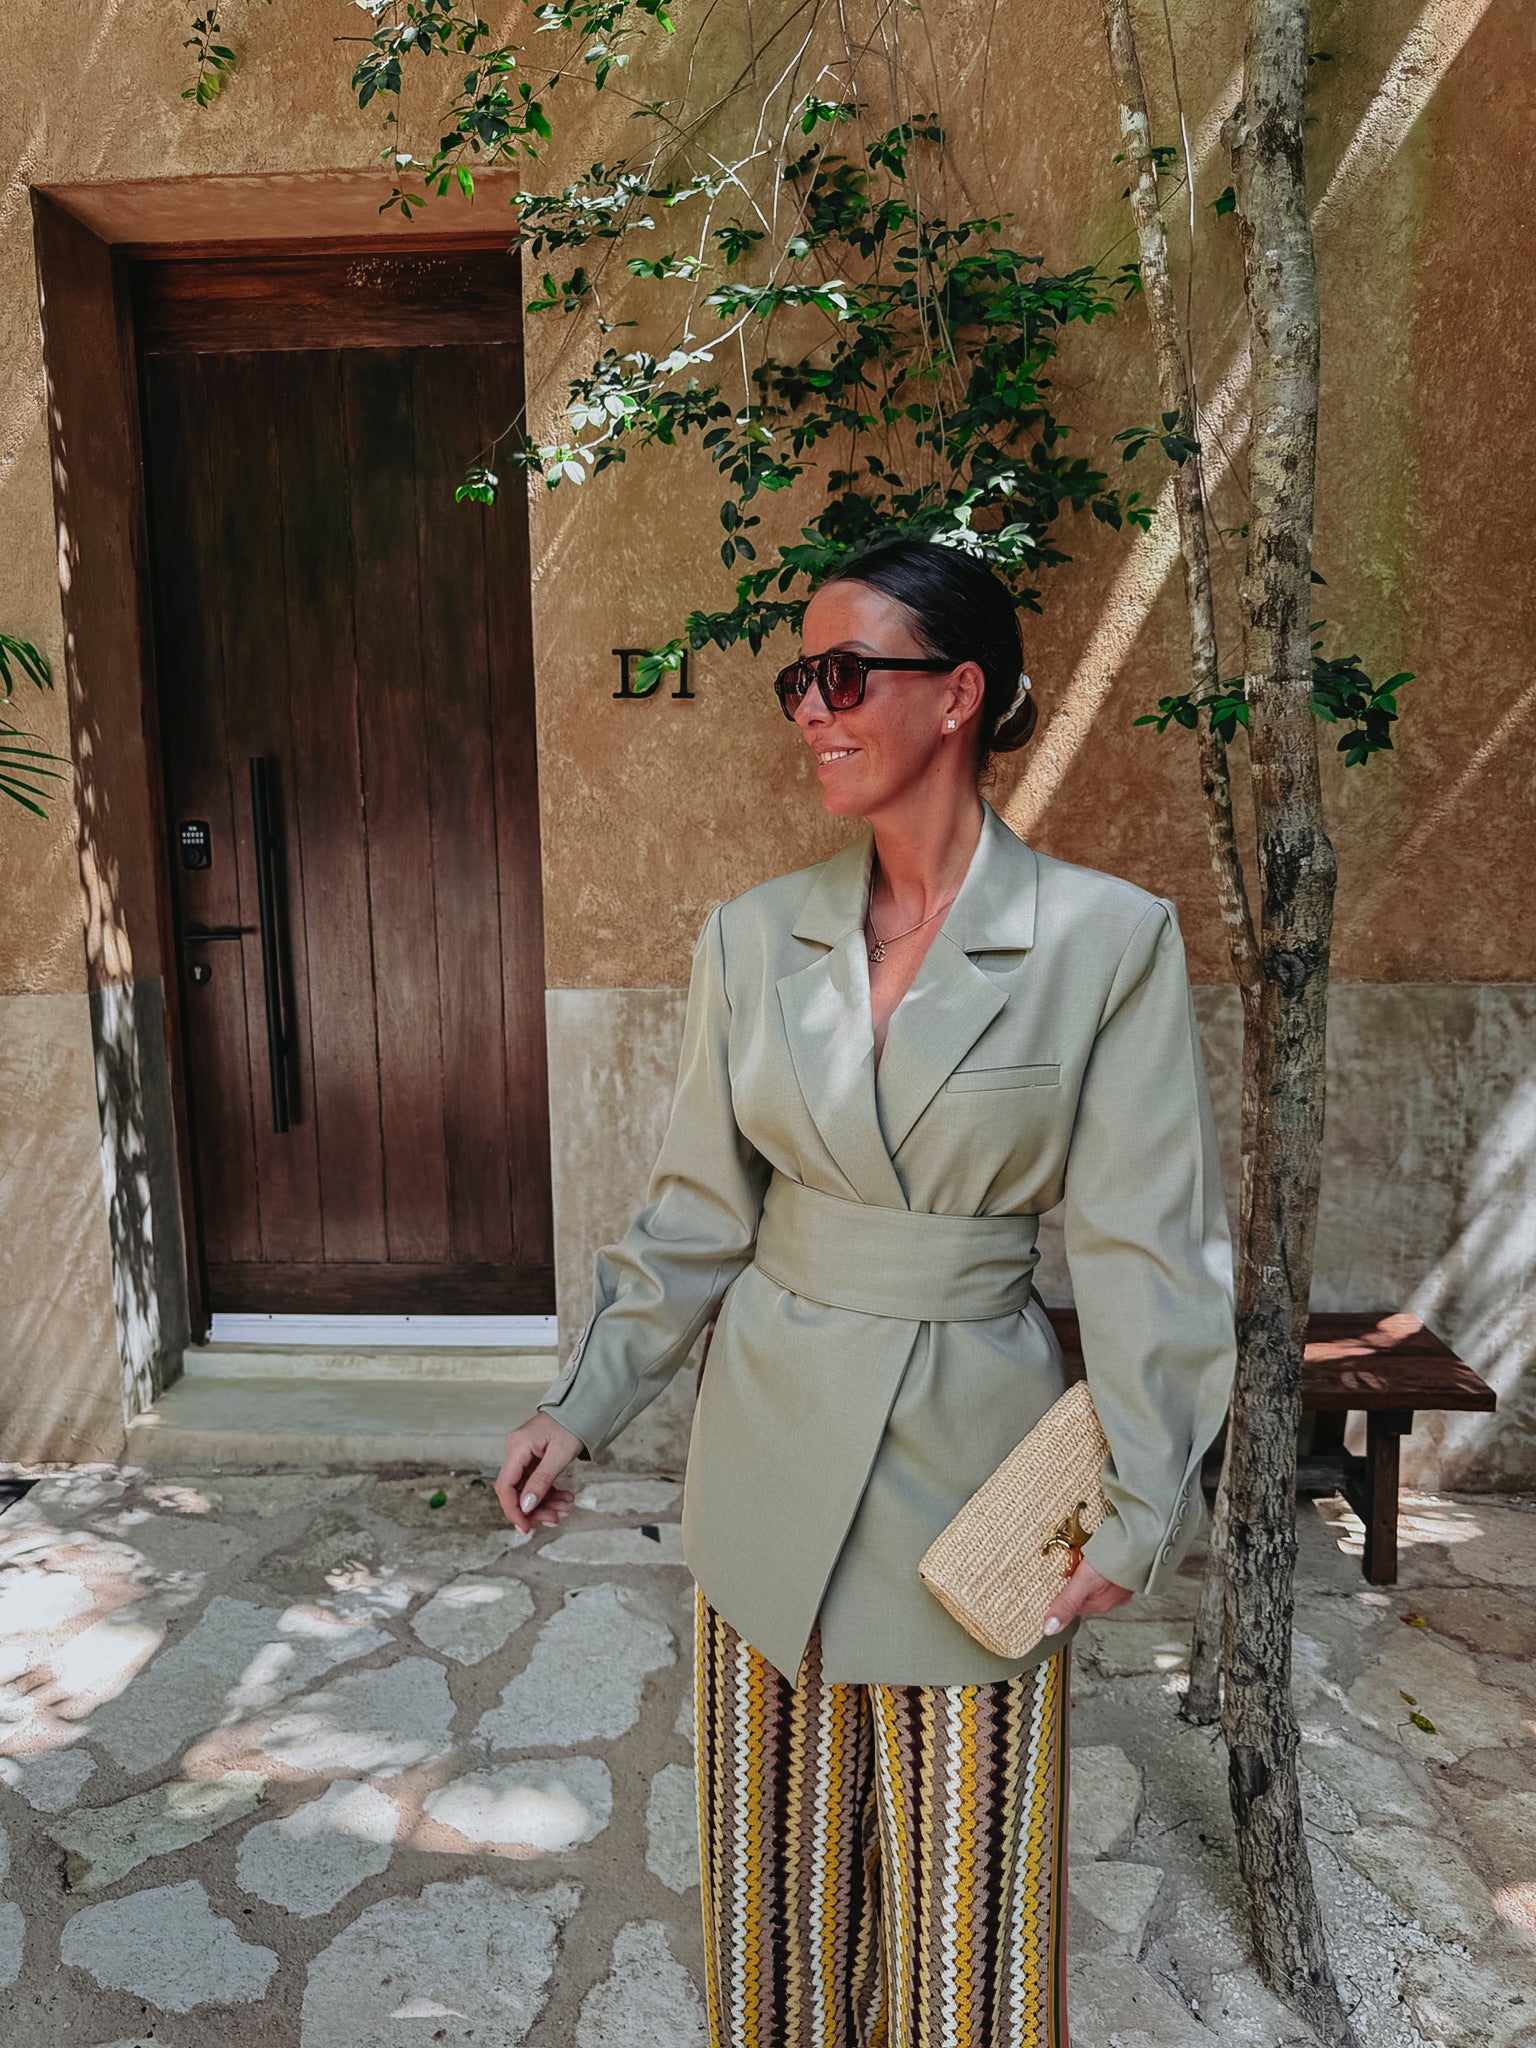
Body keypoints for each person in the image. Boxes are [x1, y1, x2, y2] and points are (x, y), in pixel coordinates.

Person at [495, 537, 1238, 2047]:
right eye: (799, 683)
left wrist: (1142, 1503)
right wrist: (580, 1407)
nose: (813, 712)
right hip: (763, 1461)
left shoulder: (1106, 942)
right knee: (771, 1928)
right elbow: (697, 1212)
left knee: (972, 1947)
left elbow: (1147, 1248)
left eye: (846, 676)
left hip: (975, 1478)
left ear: (959, 694)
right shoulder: (751, 936)